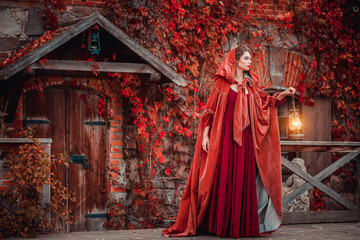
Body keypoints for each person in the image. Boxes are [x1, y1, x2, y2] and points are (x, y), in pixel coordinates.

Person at [162, 44, 295, 238]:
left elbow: (266, 103)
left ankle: (242, 226)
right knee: (222, 177)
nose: (250, 62)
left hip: (247, 142)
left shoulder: (252, 85)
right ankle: (220, 225)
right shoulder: (221, 85)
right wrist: (206, 136)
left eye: (250, 59)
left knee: (244, 178)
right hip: (224, 140)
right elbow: (209, 111)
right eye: (247, 58)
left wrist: (284, 94)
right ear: (236, 60)